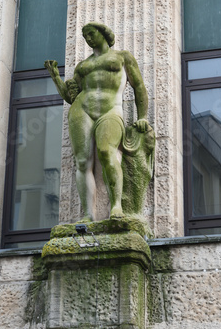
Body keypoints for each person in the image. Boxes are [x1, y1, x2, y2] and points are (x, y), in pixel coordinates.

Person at [45, 22, 149, 221]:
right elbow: (70, 96)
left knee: (107, 152)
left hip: (111, 110)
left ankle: (117, 206)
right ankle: (88, 214)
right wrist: (56, 78)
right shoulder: (83, 66)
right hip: (82, 110)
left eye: (91, 34)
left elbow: (139, 87)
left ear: (103, 34)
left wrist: (142, 117)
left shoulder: (122, 57)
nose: (89, 39)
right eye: (85, 36)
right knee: (82, 161)